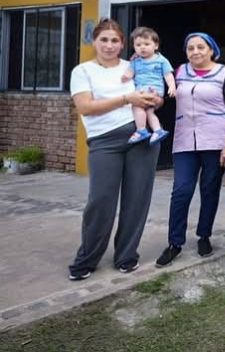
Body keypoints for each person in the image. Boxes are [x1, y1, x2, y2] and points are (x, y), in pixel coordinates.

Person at [68, 19, 162, 280]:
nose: (109, 45)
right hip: (104, 141)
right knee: (101, 201)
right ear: (95, 41)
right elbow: (85, 107)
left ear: (122, 44)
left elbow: (154, 96)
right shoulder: (83, 71)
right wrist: (125, 98)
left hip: (140, 138)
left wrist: (155, 99)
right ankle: (87, 259)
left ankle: (126, 255)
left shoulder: (135, 65)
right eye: (104, 40)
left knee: (136, 200)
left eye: (115, 41)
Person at [155, 33, 225, 268]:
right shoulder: (179, 72)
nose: (195, 51)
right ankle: (175, 243)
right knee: (181, 190)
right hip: (184, 141)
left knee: (209, 190)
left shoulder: (224, 73)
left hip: (215, 142)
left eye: (201, 47)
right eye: (190, 48)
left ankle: (204, 236)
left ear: (211, 50)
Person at [122, 26, 176, 144]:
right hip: (146, 90)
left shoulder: (161, 60)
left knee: (137, 106)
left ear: (155, 45)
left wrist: (172, 86)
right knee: (149, 111)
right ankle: (157, 130)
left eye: (146, 44)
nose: (142, 47)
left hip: (152, 89)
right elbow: (129, 73)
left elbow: (168, 75)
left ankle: (141, 130)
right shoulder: (135, 61)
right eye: (138, 45)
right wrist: (125, 77)